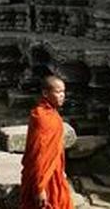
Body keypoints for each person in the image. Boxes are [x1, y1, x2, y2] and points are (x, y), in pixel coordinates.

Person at [20, 75, 72, 209]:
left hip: (55, 172)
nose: (62, 96)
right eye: (58, 92)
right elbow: (39, 154)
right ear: (45, 93)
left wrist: (61, 170)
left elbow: (54, 148)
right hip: (43, 177)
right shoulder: (41, 117)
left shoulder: (52, 113)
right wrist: (40, 187)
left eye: (63, 92)